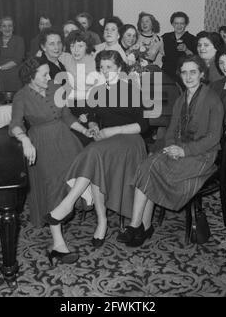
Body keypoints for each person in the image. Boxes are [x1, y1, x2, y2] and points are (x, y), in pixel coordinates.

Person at [45, 50, 149, 249]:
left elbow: (143, 126)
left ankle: (69, 204)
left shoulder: (132, 89)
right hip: (107, 143)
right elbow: (93, 115)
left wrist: (113, 131)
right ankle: (101, 221)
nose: (105, 71)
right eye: (101, 67)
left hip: (130, 141)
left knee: (93, 153)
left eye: (109, 67)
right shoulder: (98, 90)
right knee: (95, 161)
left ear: (119, 68)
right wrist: (93, 126)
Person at [116, 55, 224, 247]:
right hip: (179, 149)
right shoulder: (181, 99)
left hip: (202, 155)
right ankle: (142, 225)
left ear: (201, 74)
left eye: (193, 72)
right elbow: (172, 130)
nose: (188, 76)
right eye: (184, 72)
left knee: (152, 168)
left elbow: (213, 138)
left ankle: (137, 226)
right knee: (147, 165)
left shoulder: (212, 99)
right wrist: (173, 146)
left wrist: (184, 151)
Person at [9, 57, 93, 264]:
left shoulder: (56, 87)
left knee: (81, 175)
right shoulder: (21, 96)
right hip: (42, 144)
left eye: (49, 73)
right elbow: (15, 125)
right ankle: (58, 243)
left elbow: (67, 116)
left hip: (65, 139)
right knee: (52, 186)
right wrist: (25, 140)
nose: (49, 77)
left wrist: (84, 130)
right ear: (31, 77)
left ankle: (75, 217)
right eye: (44, 74)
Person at [162, 11, 197, 80]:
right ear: (172, 24)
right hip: (166, 72)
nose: (179, 26)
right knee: (150, 85)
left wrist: (186, 50)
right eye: (176, 23)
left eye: (182, 23)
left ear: (186, 24)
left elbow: (196, 59)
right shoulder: (166, 37)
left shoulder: (192, 39)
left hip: (184, 74)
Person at [0, 16, 25, 91]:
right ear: (0, 29)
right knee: (1, 100)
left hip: (15, 74)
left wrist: (1, 67)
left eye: (9, 26)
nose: (7, 28)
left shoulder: (19, 40)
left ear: (13, 28)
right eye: (4, 26)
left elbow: (18, 60)